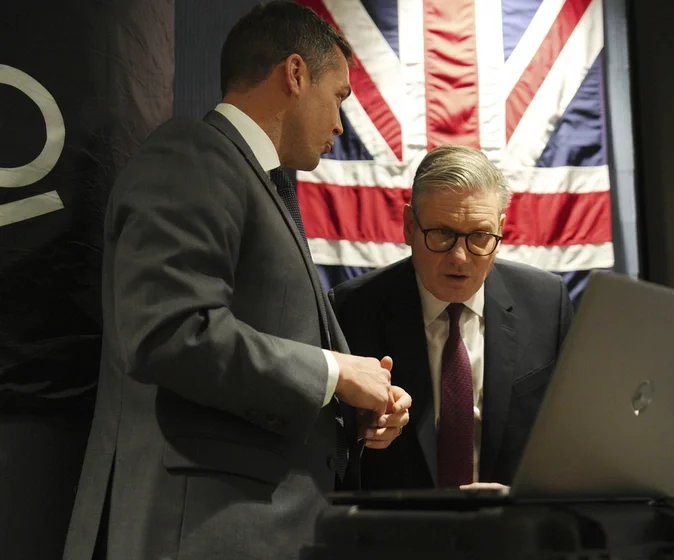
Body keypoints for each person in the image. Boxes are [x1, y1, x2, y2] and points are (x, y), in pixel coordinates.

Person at [62, 3, 410, 559]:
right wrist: (334, 372)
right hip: (200, 532)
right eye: (339, 97)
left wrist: (355, 410)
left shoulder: (256, 181)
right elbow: (170, 331)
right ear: (295, 73)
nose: (340, 125)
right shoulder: (192, 153)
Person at [330, 145, 574, 490]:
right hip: (392, 521)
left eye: (480, 236)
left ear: (501, 229)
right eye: (442, 234)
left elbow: (571, 438)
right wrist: (360, 430)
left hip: (512, 519)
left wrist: (524, 500)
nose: (460, 257)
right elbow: (327, 450)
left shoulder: (547, 302)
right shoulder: (351, 309)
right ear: (409, 226)